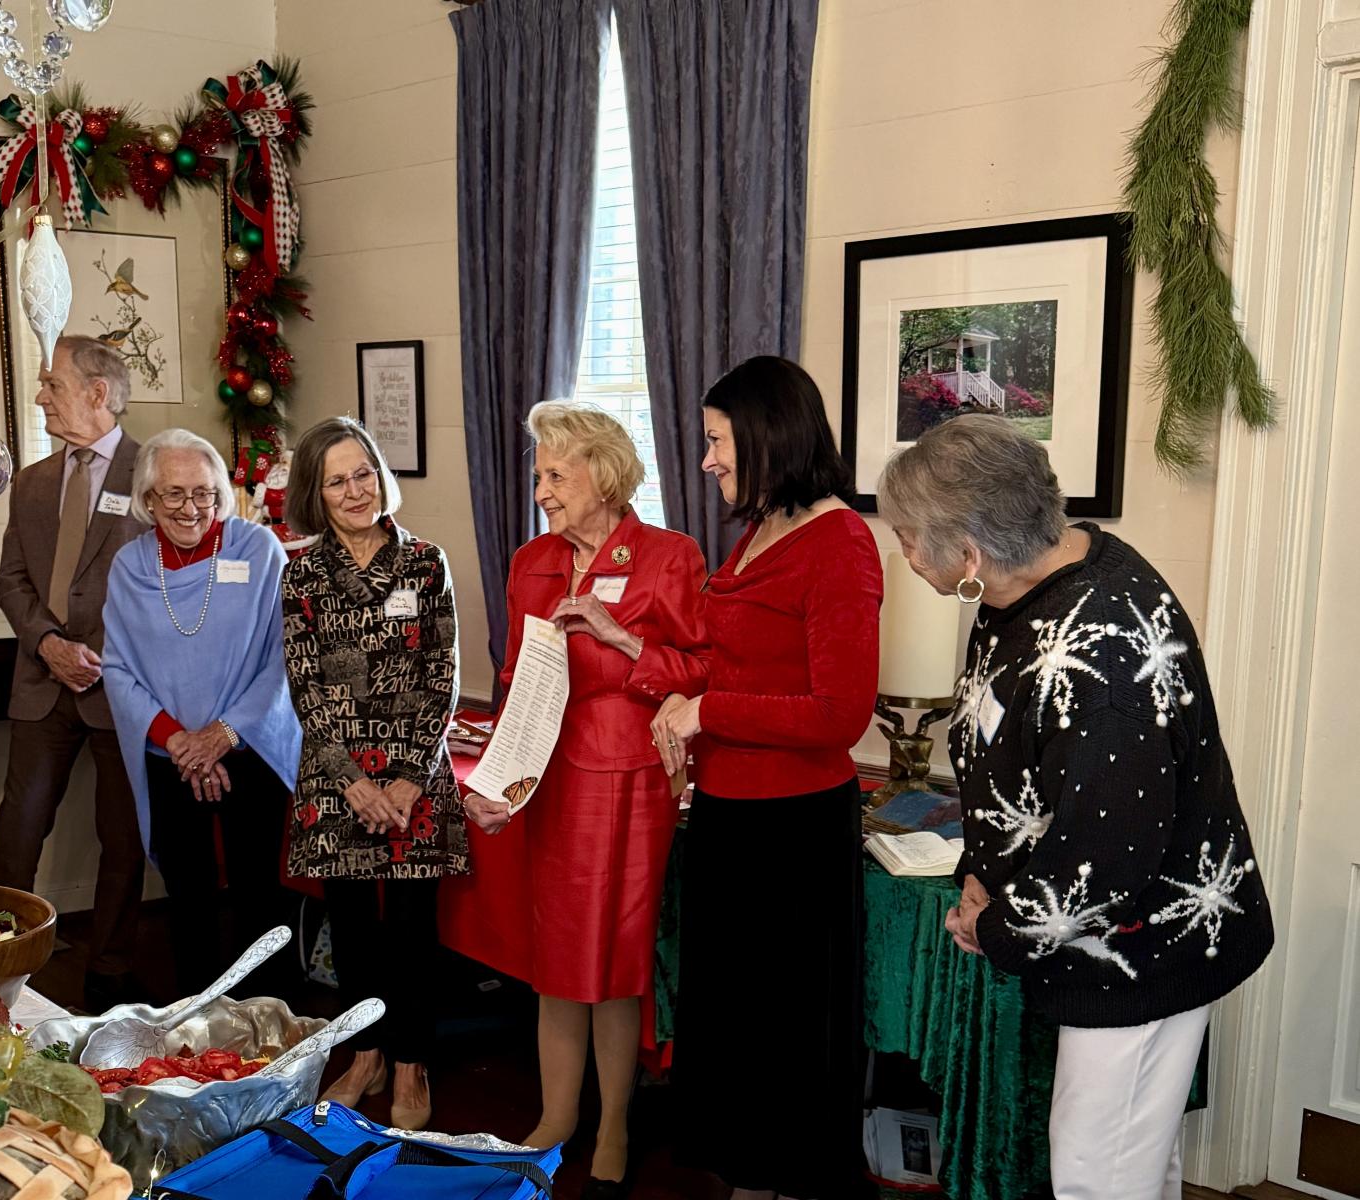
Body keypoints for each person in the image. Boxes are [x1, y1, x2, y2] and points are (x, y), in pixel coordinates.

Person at [876, 415, 1274, 1200]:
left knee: (1099, 1174)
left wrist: (994, 927)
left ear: (970, 554)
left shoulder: (1103, 648)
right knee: (1132, 1163)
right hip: (1103, 931)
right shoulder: (1028, 584)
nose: (906, 555)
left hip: (1140, 947)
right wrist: (981, 870)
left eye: (910, 538)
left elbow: (1103, 858)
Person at [464, 401, 709, 1199]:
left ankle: (614, 1125)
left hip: (630, 778)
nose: (541, 490)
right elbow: (514, 680)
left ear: (603, 475)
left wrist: (618, 635)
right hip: (550, 778)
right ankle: (557, 1116)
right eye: (539, 475)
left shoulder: (669, 557)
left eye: (555, 475)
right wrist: (497, 780)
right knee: (559, 954)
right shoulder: (531, 561)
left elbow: (702, 670)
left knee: (615, 957)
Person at [653, 356, 879, 1200]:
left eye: (718, 440)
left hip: (793, 829)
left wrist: (708, 711)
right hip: (730, 815)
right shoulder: (762, 528)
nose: (706, 459)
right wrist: (682, 696)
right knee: (738, 1028)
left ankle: (784, 1183)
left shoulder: (840, 541)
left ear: (767, 436)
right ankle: (750, 1180)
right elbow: (739, 660)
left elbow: (839, 714)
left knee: (785, 1032)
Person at [281, 416, 468, 1131]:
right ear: (315, 493)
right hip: (338, 781)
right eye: (337, 481)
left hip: (415, 774)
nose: (355, 490)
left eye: (363, 473)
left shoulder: (425, 562)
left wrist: (408, 778)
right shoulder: (302, 573)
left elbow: (442, 675)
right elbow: (305, 687)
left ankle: (412, 1060)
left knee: (414, 930)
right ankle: (366, 1056)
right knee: (354, 929)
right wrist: (351, 782)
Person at [101, 428, 301, 1001]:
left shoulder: (258, 550)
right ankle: (198, 1020)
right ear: (149, 498)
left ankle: (272, 1019)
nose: (191, 508)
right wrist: (180, 742)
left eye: (204, 493)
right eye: (174, 493)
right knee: (188, 898)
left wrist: (222, 734)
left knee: (260, 895)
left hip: (250, 751)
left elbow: (282, 659)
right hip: (170, 758)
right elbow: (117, 668)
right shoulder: (130, 565)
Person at [0, 336, 146, 1012]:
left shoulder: (154, 472)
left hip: (124, 688)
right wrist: (48, 642)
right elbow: (11, 579)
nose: (41, 396)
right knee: (18, 830)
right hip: (42, 681)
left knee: (124, 839)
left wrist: (102, 655)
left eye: (52, 384)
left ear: (97, 392)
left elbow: (170, 584)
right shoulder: (32, 483)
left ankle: (109, 981)